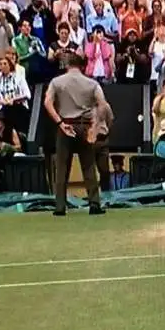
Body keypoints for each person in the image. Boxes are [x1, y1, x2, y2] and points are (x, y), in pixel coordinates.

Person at [43, 53, 109, 216]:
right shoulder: (92, 83)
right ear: (82, 66)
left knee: (62, 167)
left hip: (65, 125)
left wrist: (59, 122)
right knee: (88, 165)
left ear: (67, 65)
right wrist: (95, 126)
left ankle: (60, 206)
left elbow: (47, 102)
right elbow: (102, 104)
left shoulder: (56, 82)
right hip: (85, 125)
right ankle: (94, 203)